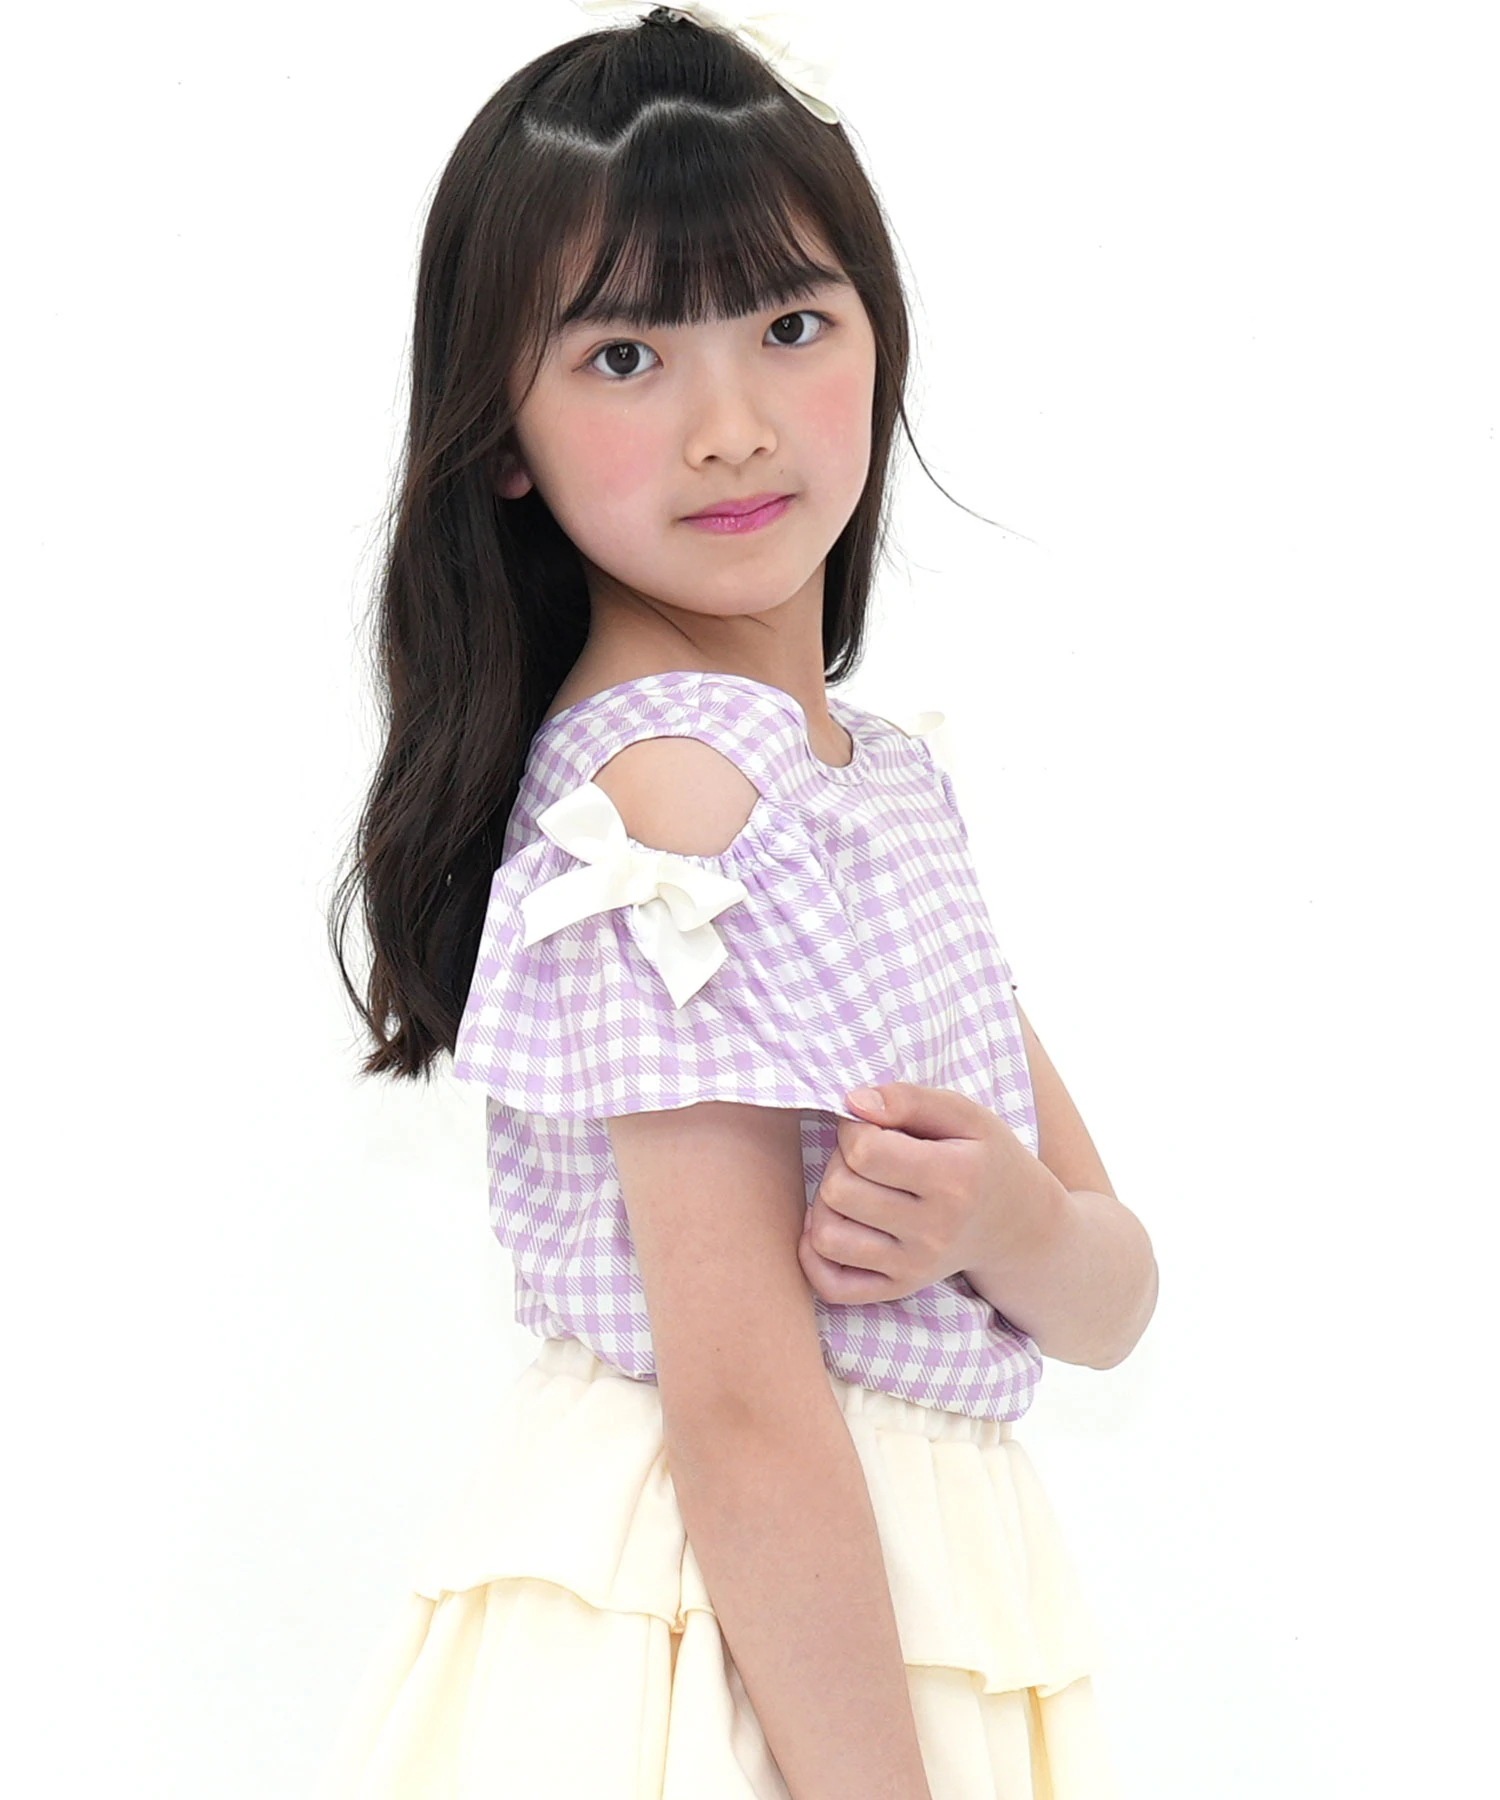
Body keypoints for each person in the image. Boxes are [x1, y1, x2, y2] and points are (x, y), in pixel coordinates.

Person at [314, 6, 1158, 1796]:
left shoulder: (863, 780)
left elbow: (1109, 1296)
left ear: (879, 334)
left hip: (872, 1606)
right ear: (503, 434)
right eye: (626, 355)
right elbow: (746, 1407)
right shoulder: (671, 795)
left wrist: (995, 1215)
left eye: (790, 325)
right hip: (726, 1639)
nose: (732, 428)